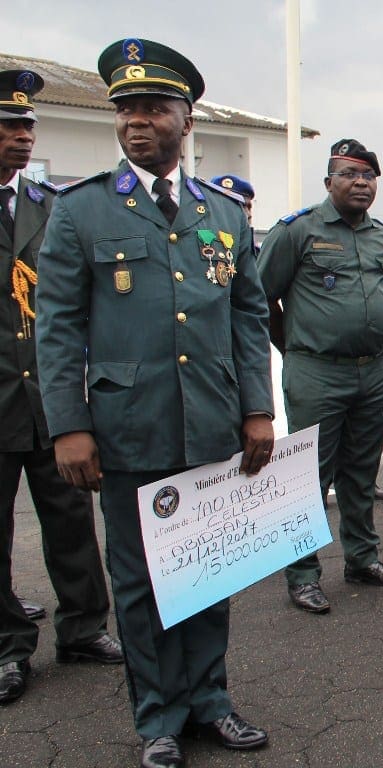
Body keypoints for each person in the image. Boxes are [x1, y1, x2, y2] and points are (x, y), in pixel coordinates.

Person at [36, 38, 272, 766]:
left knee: (209, 569)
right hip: (126, 425)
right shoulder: (81, 210)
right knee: (140, 581)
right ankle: (159, 718)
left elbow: (248, 316)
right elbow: (58, 325)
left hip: (211, 421)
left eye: (154, 108)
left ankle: (210, 701)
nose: (137, 121)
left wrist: (258, 409)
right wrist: (68, 425)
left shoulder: (223, 213)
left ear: (186, 121)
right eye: (126, 110)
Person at [0, 68, 123, 708]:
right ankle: (8, 646)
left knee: (71, 519)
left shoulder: (50, 205)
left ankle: (83, 627)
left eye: (28, 126)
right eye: (8, 125)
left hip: (49, 397)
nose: (23, 136)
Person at [257, 138, 383, 615]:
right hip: (317, 372)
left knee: (361, 472)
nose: (361, 183)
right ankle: (303, 575)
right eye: (349, 174)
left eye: (368, 176)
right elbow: (259, 299)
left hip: (372, 370)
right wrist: (293, 348)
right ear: (328, 182)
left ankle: (362, 558)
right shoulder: (297, 231)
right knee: (308, 477)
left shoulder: (382, 237)